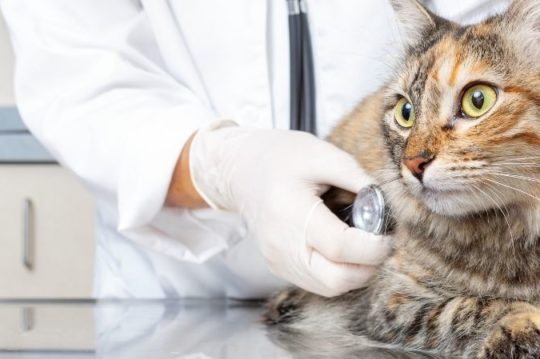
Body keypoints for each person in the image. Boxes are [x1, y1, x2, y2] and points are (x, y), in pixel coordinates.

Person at [0, 0, 507, 299]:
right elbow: (79, 76)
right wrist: (225, 168)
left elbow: (495, 42)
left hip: (419, 281)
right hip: (178, 299)